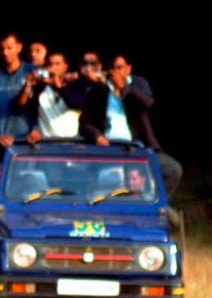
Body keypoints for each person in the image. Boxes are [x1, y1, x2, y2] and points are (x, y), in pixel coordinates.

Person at [78, 53, 183, 198]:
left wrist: (124, 88)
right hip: (109, 150)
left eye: (120, 68)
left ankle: (154, 206)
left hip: (138, 148)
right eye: (112, 68)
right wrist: (97, 136)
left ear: (128, 69)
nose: (116, 72)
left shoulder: (138, 84)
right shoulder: (98, 90)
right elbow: (84, 124)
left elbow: (147, 103)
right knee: (89, 177)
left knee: (172, 169)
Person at [0, 32, 39, 161]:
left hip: (29, 143)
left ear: (19, 47)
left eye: (9, 48)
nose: (5, 53)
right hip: (1, 146)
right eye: (2, 49)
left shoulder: (33, 71)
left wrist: (37, 129)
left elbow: (43, 107)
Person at [25, 49, 82, 138]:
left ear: (65, 66)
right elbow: (30, 111)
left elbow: (77, 105)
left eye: (57, 64)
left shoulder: (75, 86)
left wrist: (59, 87)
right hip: (47, 142)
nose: (53, 68)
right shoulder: (40, 88)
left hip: (72, 141)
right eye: (50, 64)